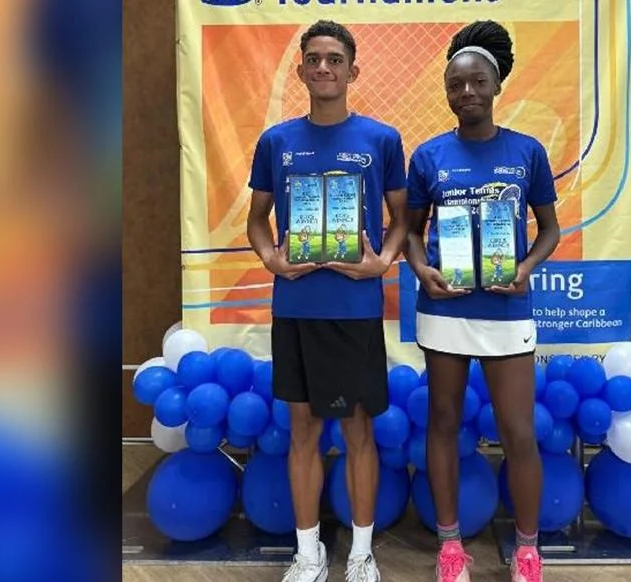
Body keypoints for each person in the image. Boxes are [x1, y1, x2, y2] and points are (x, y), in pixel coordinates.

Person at [245, 20, 408, 582]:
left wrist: (383, 261)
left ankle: (362, 554)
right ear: (300, 71)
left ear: (352, 70)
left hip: (355, 310)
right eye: (313, 59)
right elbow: (256, 219)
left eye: (334, 59)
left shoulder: (381, 140)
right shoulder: (277, 143)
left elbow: (402, 218)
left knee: (360, 433)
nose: (323, 68)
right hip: (296, 307)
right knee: (304, 432)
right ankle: (308, 553)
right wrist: (271, 259)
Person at [404, 20, 561, 582]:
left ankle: (527, 550)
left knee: (518, 430)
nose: (465, 92)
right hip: (445, 307)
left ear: (495, 86)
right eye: (455, 85)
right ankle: (450, 548)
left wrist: (524, 268)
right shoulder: (428, 156)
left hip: (505, 310)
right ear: (446, 92)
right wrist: (420, 268)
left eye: (476, 82)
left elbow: (549, 230)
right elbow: (413, 231)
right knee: (442, 422)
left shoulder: (526, 152)